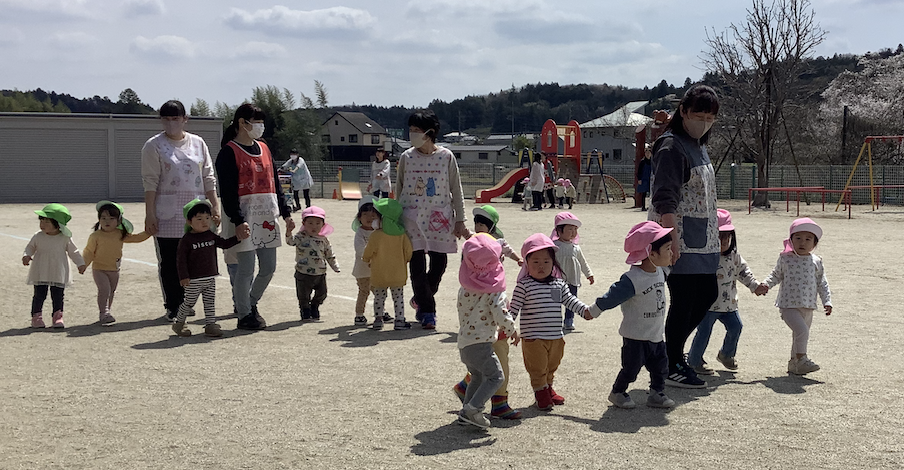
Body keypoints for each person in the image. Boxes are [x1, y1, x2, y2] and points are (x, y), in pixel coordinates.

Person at [648, 84, 721, 388]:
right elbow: (664, 196)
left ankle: (669, 354)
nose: (704, 122)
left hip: (702, 236)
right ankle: (673, 363)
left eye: (709, 118)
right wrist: (671, 237)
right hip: (678, 235)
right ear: (683, 112)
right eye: (698, 115)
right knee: (685, 299)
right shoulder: (671, 146)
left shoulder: (697, 144)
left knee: (707, 294)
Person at [215, 103, 294, 330]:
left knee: (268, 268)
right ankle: (244, 315)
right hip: (245, 219)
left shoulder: (264, 149)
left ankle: (249, 303)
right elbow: (228, 192)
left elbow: (275, 184)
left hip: (267, 218)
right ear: (242, 123)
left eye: (261, 122)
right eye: (256, 122)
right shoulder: (228, 152)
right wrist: (238, 220)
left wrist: (286, 213)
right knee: (246, 269)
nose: (260, 126)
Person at [584, 221, 677, 409]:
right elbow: (612, 296)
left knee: (661, 367)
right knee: (631, 369)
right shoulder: (633, 279)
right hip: (635, 337)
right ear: (651, 254)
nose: (672, 253)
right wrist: (593, 310)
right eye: (668, 249)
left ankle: (656, 393)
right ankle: (618, 392)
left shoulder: (661, 272)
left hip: (656, 335)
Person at [142, 100, 220, 322]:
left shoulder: (198, 143)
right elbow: (150, 181)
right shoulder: (154, 145)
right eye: (166, 119)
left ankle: (187, 301)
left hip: (196, 211)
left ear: (185, 119)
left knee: (194, 258)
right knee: (170, 260)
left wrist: (215, 205)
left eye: (175, 118)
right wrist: (150, 213)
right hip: (167, 212)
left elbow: (208, 176)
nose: (171, 123)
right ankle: (173, 304)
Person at [395, 109, 469, 329]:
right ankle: (428, 312)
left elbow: (456, 189)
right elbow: (399, 188)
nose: (413, 134)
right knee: (417, 266)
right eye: (410, 130)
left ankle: (421, 297)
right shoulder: (406, 157)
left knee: (439, 264)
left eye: (417, 130)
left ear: (430, 132)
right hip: (411, 217)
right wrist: (395, 217)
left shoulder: (446, 157)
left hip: (439, 217)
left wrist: (460, 219)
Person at [452, 207, 523, 420]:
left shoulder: (465, 288)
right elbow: (501, 312)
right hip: (482, 343)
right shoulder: (493, 291)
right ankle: (474, 409)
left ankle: (465, 413)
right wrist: (512, 330)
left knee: (477, 376)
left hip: (465, 342)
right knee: (495, 377)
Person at [509, 233, 590, 411]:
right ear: (526, 263)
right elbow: (513, 309)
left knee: (552, 365)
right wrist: (507, 326)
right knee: (537, 367)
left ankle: (548, 387)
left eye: (546, 261)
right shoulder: (524, 285)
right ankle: (541, 393)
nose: (541, 266)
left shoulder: (559, 284)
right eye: (535, 261)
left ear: (553, 262)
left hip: (555, 336)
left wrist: (585, 311)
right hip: (533, 338)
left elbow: (570, 301)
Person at [687, 209, 762, 374]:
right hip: (707, 306)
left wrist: (755, 286)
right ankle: (694, 360)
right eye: (718, 237)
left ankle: (726, 354)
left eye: (726, 238)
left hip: (729, 304)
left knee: (736, 327)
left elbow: (743, 272)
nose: (723, 242)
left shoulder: (733, 256)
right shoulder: (704, 257)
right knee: (704, 332)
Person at [756, 218, 832, 375]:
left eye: (808, 239)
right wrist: (766, 285)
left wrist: (827, 301)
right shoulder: (786, 258)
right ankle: (802, 359)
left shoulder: (816, 261)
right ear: (791, 240)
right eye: (798, 238)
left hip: (808, 306)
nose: (802, 242)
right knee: (802, 331)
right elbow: (776, 275)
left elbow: (822, 283)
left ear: (814, 244)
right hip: (788, 305)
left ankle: (794, 363)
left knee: (799, 334)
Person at [173, 199, 239, 337]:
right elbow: (181, 260)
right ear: (189, 221)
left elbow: (224, 244)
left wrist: (238, 238)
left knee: (209, 302)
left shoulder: (210, 235)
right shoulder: (187, 240)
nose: (204, 222)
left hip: (210, 277)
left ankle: (210, 325)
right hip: (193, 280)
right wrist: (183, 276)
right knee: (189, 302)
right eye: (199, 219)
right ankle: (179, 323)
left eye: (207, 218)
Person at [82, 201, 151, 324]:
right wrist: (83, 264)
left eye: (111, 218)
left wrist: (148, 233)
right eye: (103, 218)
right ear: (99, 220)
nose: (107, 221)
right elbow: (89, 251)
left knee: (111, 292)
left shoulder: (119, 234)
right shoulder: (95, 236)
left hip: (114, 269)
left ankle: (107, 311)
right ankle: (103, 313)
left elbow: (136, 238)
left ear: (119, 221)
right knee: (104, 290)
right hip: (99, 269)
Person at [22, 204, 86, 329]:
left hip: (58, 270)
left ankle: (57, 317)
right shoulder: (38, 236)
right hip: (41, 269)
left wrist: (80, 263)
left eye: (47, 221)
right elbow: (30, 247)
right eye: (41, 220)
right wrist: (26, 255)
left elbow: (73, 251)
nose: (42, 224)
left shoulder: (64, 238)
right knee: (39, 294)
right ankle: (36, 317)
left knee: (58, 295)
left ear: (58, 224)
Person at [362, 198, 413, 330]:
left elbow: (368, 251)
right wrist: (404, 261)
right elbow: (408, 252)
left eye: (375, 217)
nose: (373, 220)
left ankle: (378, 320)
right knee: (398, 298)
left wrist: (366, 259)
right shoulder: (401, 235)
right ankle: (400, 320)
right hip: (398, 273)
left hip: (380, 273)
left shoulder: (376, 235)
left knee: (379, 297)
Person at [286, 206, 339, 321]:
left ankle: (314, 306)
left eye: (317, 223)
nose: (314, 226)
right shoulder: (301, 237)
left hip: (320, 272)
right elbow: (290, 242)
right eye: (310, 223)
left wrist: (334, 265)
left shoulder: (323, 239)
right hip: (303, 272)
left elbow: (329, 253)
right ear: (304, 223)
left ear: (323, 225)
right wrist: (289, 232)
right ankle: (305, 310)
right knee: (303, 295)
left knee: (322, 293)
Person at [551, 212, 594, 331]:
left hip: (572, 279)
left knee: (572, 300)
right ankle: (554, 320)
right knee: (555, 301)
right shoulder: (554, 247)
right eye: (570, 229)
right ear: (559, 231)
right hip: (557, 280)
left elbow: (583, 262)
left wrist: (589, 274)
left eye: (575, 229)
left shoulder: (576, 248)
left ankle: (569, 320)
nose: (573, 232)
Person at [352, 196, 388, 327]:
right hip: (363, 269)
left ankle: (381, 312)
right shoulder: (360, 233)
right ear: (359, 218)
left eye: (373, 215)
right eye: (365, 215)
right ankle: (359, 315)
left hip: (377, 269)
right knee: (364, 291)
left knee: (380, 292)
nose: (369, 218)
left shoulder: (379, 232)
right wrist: (369, 258)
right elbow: (360, 249)